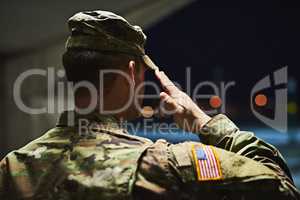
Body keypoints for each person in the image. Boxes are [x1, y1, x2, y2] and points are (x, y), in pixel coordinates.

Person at [0, 10, 299, 200]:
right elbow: (281, 187)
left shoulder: (12, 167)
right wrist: (203, 122)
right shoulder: (162, 165)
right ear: (131, 72)